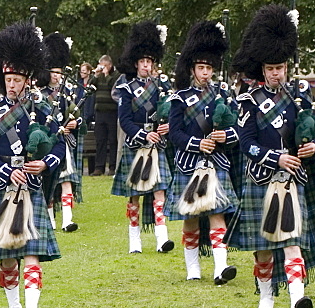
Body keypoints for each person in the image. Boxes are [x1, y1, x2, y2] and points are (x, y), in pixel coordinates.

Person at [228, 4, 315, 308]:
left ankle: (296, 300)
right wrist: (276, 157)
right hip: (262, 177)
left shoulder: (300, 98)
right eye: (272, 67)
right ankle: (264, 293)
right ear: (263, 68)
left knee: (292, 242)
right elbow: (246, 144)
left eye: (281, 67)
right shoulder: (248, 100)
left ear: (287, 66)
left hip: (292, 180)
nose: (277, 72)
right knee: (262, 249)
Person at [0, 22, 64, 308]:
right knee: (9, 257)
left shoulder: (42, 110)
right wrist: (6, 171)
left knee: (32, 253)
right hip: (4, 188)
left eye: (16, 80)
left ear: (27, 80)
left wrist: (45, 164)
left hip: (33, 188)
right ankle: (14, 307)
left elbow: (60, 145)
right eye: (8, 79)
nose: (11, 85)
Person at [166, 20, 240, 284]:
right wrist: (198, 144)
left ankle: (221, 268)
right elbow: (174, 134)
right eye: (201, 68)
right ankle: (193, 268)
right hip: (189, 162)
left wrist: (225, 136)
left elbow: (239, 129)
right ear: (192, 69)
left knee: (218, 213)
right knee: (191, 217)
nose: (206, 73)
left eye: (209, 68)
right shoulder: (179, 98)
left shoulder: (224, 95)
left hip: (217, 162)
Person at [111, 21, 175, 254]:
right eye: (142, 62)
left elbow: (172, 111)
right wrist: (142, 134)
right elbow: (124, 120)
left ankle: (162, 238)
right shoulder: (127, 88)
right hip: (136, 143)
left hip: (157, 143)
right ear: (135, 63)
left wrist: (166, 125)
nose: (146, 66)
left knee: (160, 190)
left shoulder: (162, 86)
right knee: (135, 194)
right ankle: (134, 238)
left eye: (150, 62)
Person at [39, 33, 85, 232]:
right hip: (48, 143)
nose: (56, 75)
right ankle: (50, 221)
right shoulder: (39, 95)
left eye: (58, 72)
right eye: (52, 71)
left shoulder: (66, 94)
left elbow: (76, 114)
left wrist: (74, 123)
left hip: (64, 143)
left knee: (66, 181)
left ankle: (67, 220)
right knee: (49, 184)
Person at [91, 55, 117, 175]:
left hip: (112, 112)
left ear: (110, 65)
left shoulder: (115, 76)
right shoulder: (98, 76)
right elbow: (91, 88)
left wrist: (107, 75)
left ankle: (112, 166)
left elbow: (112, 88)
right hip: (99, 112)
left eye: (105, 65)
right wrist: (96, 75)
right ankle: (99, 167)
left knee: (112, 140)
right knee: (100, 140)